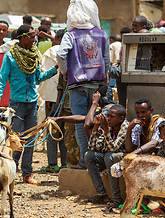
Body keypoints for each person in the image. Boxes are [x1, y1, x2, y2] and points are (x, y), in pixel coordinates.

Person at [0, 24, 58, 184]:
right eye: (32, 37)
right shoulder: (10, 57)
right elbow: (1, 81)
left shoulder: (34, 56)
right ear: (22, 38)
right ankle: (10, 168)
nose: (34, 40)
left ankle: (27, 173)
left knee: (31, 139)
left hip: (32, 103)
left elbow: (37, 78)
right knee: (14, 139)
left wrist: (53, 70)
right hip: (17, 104)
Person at [57, 0, 110, 169]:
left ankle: (84, 161)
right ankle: (96, 159)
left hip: (77, 86)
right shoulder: (102, 34)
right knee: (96, 122)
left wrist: (65, 72)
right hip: (97, 86)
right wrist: (104, 78)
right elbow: (107, 60)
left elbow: (60, 54)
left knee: (81, 124)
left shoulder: (70, 35)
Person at [85, 104, 128, 206]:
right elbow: (92, 147)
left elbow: (114, 148)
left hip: (122, 158)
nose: (108, 119)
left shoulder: (125, 127)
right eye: (107, 116)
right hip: (108, 157)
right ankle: (102, 194)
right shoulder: (110, 127)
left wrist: (105, 129)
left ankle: (116, 198)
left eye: (111, 117)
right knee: (88, 155)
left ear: (121, 118)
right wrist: (96, 127)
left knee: (109, 156)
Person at [38, 29, 67, 172]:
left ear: (58, 39)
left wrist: (48, 99)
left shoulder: (50, 53)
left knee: (52, 132)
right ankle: (66, 163)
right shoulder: (71, 52)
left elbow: (48, 78)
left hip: (53, 100)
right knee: (65, 132)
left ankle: (52, 164)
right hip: (68, 99)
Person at [0, 30, 18, 107]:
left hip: (3, 92)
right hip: (18, 94)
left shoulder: (1, 51)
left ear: (11, 38)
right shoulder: (25, 52)